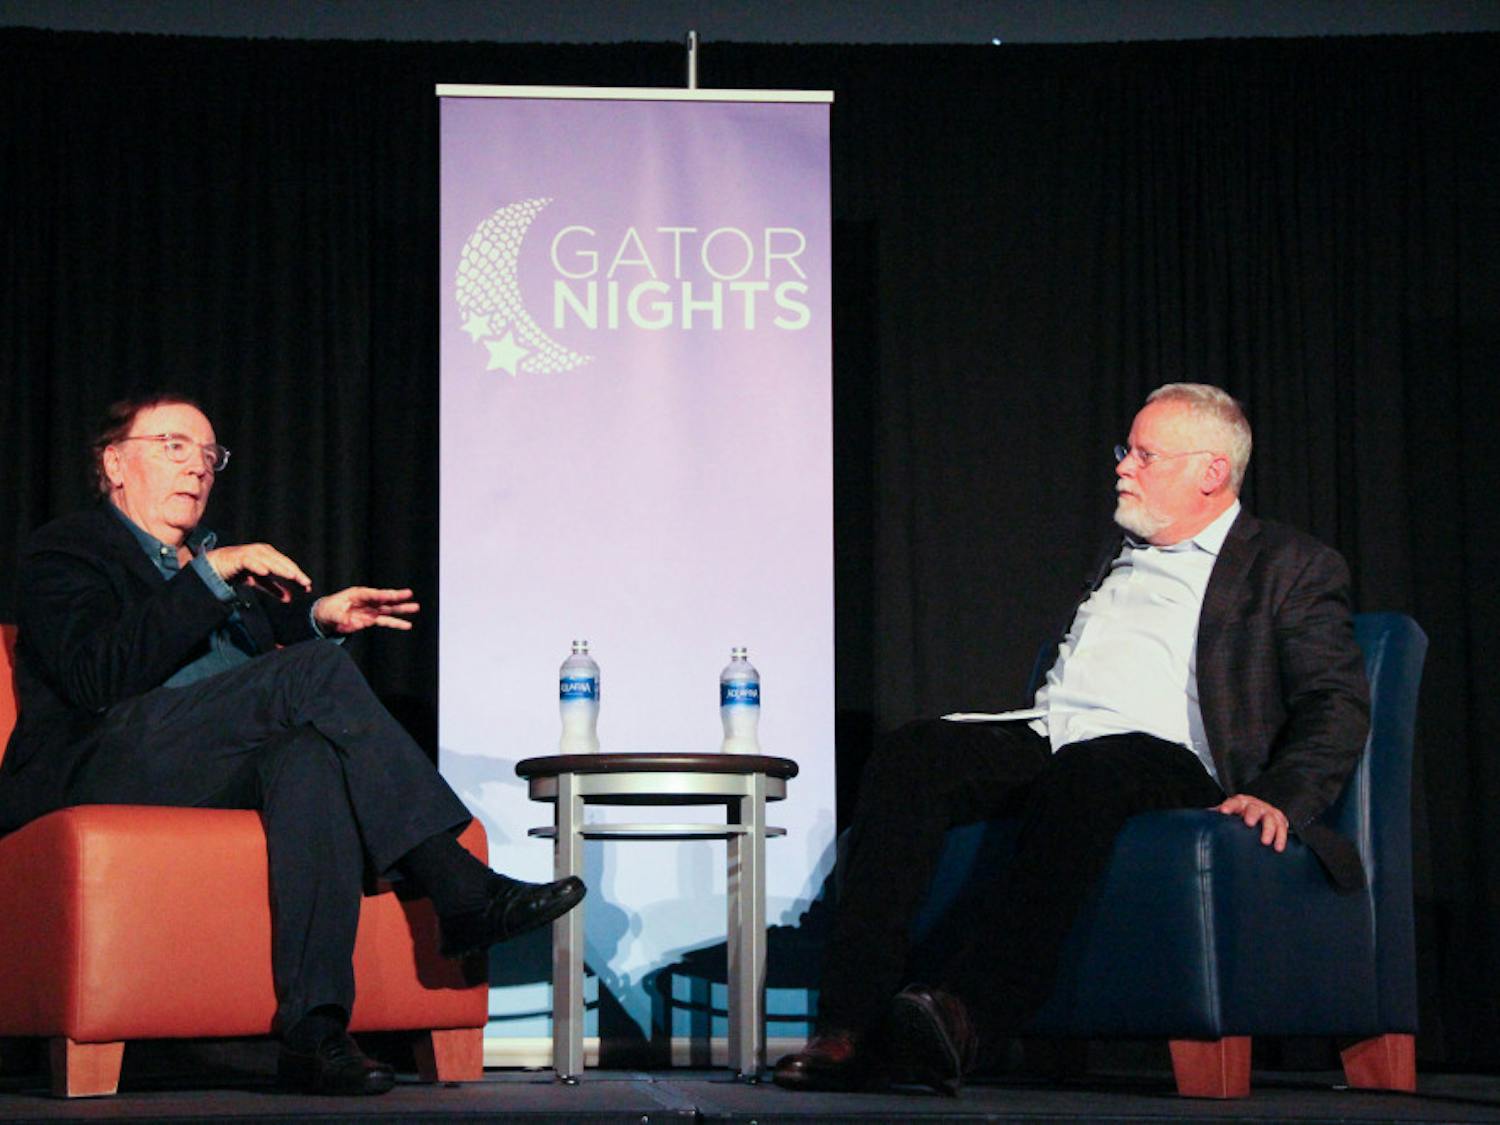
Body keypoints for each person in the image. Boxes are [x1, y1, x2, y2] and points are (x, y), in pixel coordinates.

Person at [773, 383, 1370, 1093]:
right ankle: (851, 1024)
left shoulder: (1288, 564)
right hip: (1055, 732)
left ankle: (967, 1014)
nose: (1123, 467)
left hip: (1177, 755)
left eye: (1145, 454)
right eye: (1127, 450)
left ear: (1211, 471)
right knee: (915, 753)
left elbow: (1335, 702)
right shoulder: (1119, 553)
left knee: (1091, 769)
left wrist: (1279, 794)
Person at [0, 393, 587, 1097]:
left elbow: (250, 678)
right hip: (99, 758)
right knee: (310, 678)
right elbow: (96, 675)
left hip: (202, 762)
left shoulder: (221, 571)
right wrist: (210, 579)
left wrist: (316, 618)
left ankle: (314, 1031)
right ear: (115, 463)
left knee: (307, 758)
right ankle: (454, 882)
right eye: (174, 446)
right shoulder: (68, 550)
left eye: (209, 455)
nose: (197, 469)